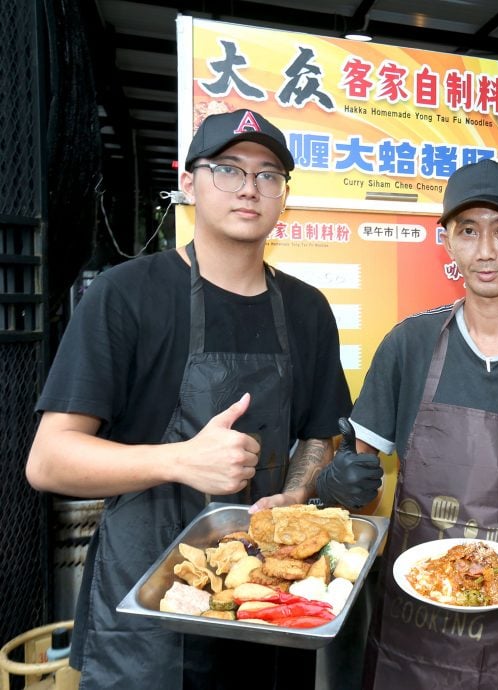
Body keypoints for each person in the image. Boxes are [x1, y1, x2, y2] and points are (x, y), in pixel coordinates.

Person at [24, 109, 377, 689]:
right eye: (229, 169)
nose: (249, 188)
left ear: (283, 195)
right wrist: (180, 460)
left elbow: (319, 432)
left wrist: (293, 495)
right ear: (188, 182)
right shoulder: (126, 294)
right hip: (146, 596)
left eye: (269, 175)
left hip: (263, 595)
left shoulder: (307, 308)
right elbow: (49, 460)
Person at [326, 158, 498, 689]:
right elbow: (361, 475)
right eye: (468, 230)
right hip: (412, 621)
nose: (485, 250)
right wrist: (342, 483)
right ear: (447, 242)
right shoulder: (408, 344)